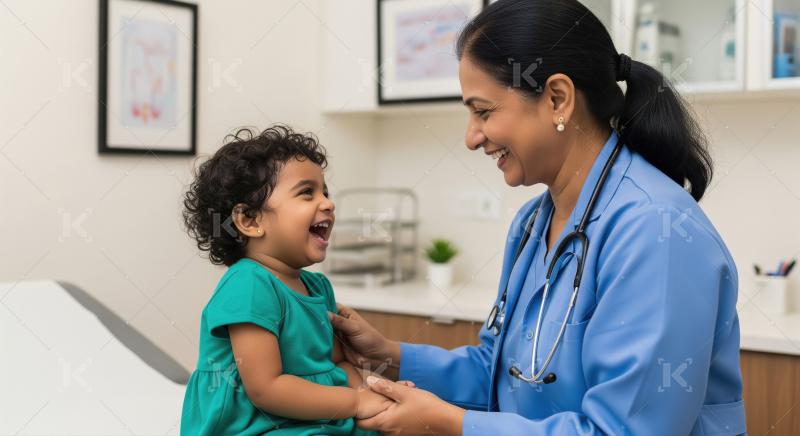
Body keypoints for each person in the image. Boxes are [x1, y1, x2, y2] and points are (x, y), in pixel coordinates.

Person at [329, 0, 746, 434]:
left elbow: (624, 430)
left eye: (483, 111)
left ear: (557, 99)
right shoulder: (532, 224)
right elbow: (503, 373)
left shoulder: (655, 231)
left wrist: (451, 424)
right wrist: (388, 355)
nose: (471, 137)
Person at [179, 125, 396, 435]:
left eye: (325, 192)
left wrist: (375, 395)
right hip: (253, 425)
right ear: (250, 220)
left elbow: (337, 364)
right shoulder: (248, 285)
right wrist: (356, 403)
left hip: (311, 417)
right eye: (307, 192)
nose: (328, 203)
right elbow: (266, 389)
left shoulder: (318, 287)